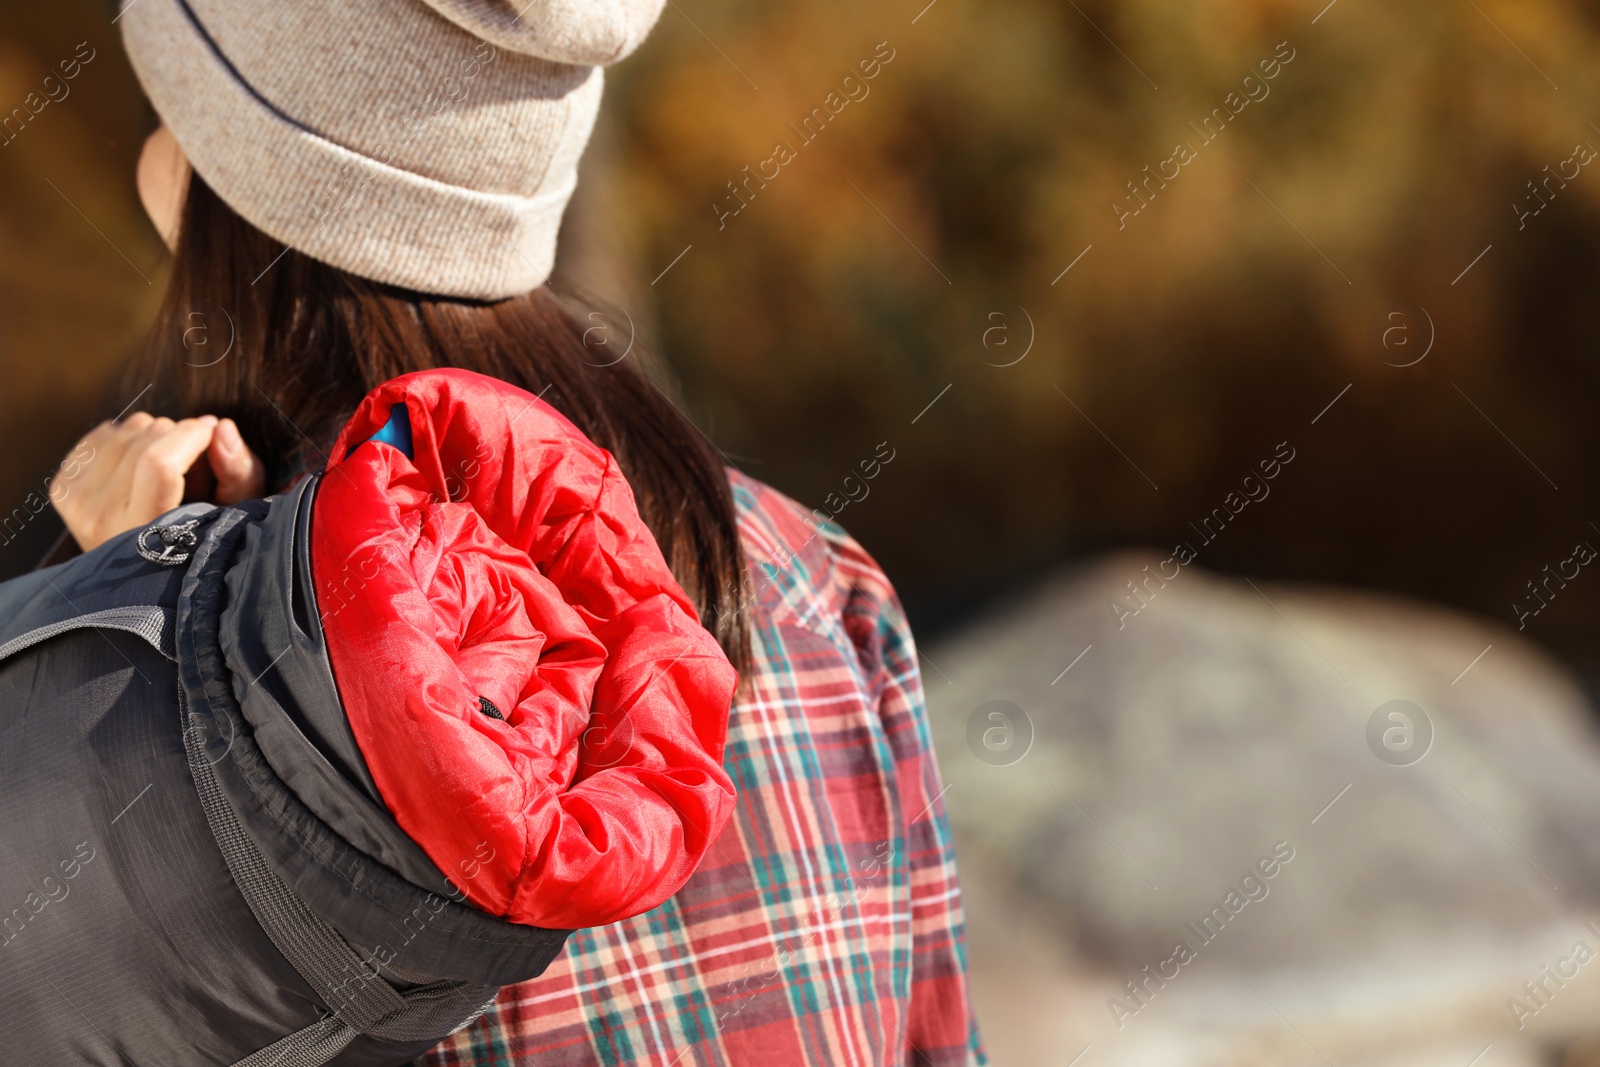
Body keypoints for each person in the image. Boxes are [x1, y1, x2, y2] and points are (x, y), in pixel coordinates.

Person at [42, 0, 986, 1063]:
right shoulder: (809, 572)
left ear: (226, 181)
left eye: (167, 109)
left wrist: (123, 641)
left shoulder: (270, 692)